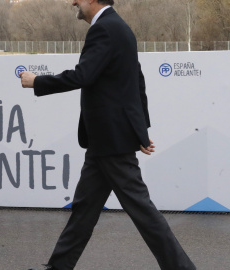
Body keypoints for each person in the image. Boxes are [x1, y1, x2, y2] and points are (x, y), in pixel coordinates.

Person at [20, 0, 196, 269]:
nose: (73, 2)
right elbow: (136, 80)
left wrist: (38, 81)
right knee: (84, 210)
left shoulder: (104, 29)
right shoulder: (119, 27)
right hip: (105, 140)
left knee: (142, 211)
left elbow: (83, 75)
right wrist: (140, 130)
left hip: (111, 141)